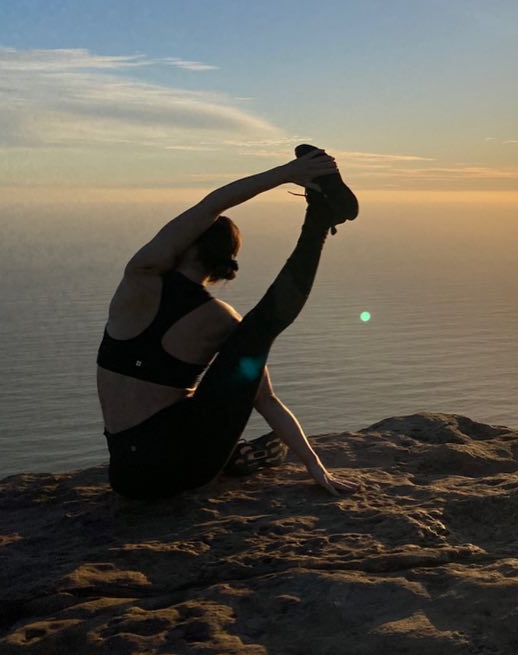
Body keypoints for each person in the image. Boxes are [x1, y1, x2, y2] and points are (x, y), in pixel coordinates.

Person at [97, 145, 361, 499]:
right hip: (186, 469)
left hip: (126, 478)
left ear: (187, 244)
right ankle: (319, 218)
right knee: (259, 329)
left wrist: (285, 172)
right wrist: (316, 467)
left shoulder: (139, 280)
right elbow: (265, 401)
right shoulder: (223, 321)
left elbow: (211, 206)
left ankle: (320, 209)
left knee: (250, 337)